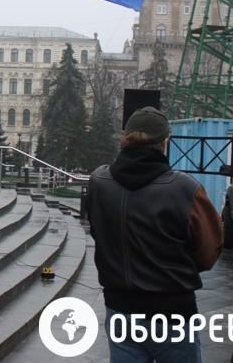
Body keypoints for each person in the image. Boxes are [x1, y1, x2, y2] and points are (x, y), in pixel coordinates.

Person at [85, 106, 223, 363]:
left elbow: (97, 232)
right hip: (171, 312)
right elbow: (208, 252)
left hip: (120, 309)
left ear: (124, 138)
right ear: (164, 142)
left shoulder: (99, 182)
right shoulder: (185, 188)